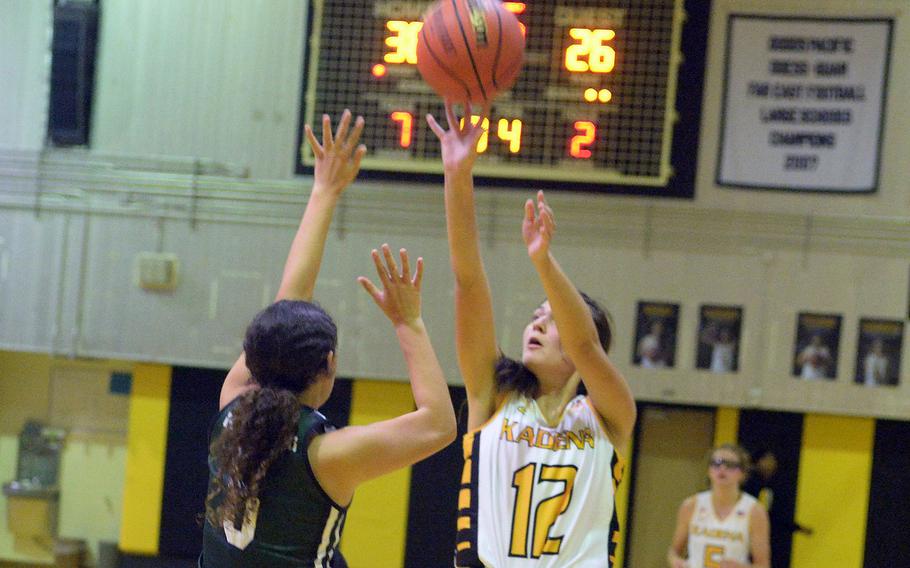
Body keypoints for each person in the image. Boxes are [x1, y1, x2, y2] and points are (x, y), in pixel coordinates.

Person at [200, 111, 456, 567]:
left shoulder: (231, 407)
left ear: (257, 359)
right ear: (329, 365)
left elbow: (288, 301)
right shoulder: (330, 456)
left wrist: (323, 192)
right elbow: (439, 424)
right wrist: (409, 323)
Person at [427, 102, 636, 568]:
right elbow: (468, 283)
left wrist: (543, 261)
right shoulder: (494, 393)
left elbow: (584, 347)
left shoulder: (610, 413)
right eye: (535, 314)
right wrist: (457, 177)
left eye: (553, 317)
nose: (537, 323)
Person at [668, 444, 770, 568]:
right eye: (716, 463)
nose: (722, 468)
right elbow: (673, 552)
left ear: (742, 473)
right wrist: (676, 562)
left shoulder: (754, 510)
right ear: (709, 470)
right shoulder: (691, 505)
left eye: (730, 465)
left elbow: (763, 565)